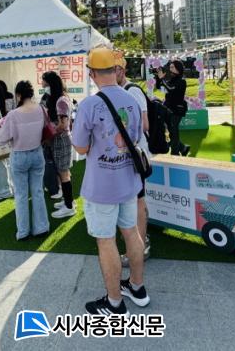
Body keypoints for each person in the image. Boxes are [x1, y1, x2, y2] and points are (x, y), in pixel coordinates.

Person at [72, 46, 150, 316]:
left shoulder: (89, 105)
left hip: (101, 187)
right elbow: (137, 137)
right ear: (115, 70)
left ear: (92, 73)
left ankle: (115, 303)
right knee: (132, 233)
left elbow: (80, 147)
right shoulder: (131, 98)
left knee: (106, 241)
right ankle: (137, 287)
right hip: (129, 181)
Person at [0, 80, 49, 240]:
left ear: (18, 95)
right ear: (31, 93)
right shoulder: (41, 109)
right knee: (38, 191)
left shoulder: (13, 114)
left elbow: (2, 138)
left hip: (19, 155)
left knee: (21, 195)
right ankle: (41, 228)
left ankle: (23, 231)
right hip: (37, 153)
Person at [114, 52, 151, 267]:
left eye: (115, 69)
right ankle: (138, 241)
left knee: (137, 201)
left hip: (136, 155)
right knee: (132, 201)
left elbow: (144, 125)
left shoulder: (132, 91)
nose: (112, 74)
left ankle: (140, 247)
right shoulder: (118, 92)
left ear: (122, 70)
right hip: (125, 155)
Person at [41, 71, 76, 219]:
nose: (43, 86)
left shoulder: (61, 100)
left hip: (61, 139)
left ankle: (69, 207)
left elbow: (63, 124)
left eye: (44, 83)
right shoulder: (60, 98)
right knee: (63, 172)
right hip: (60, 139)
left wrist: (49, 135)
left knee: (64, 173)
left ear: (51, 84)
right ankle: (69, 201)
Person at [155, 59, 190, 157]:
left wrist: (162, 79)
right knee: (172, 131)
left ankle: (175, 153)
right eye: (170, 67)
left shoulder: (182, 81)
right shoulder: (171, 79)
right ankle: (183, 148)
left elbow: (171, 89)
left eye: (172, 67)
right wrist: (158, 78)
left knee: (174, 131)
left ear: (178, 68)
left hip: (177, 110)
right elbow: (159, 87)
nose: (170, 69)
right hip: (168, 108)